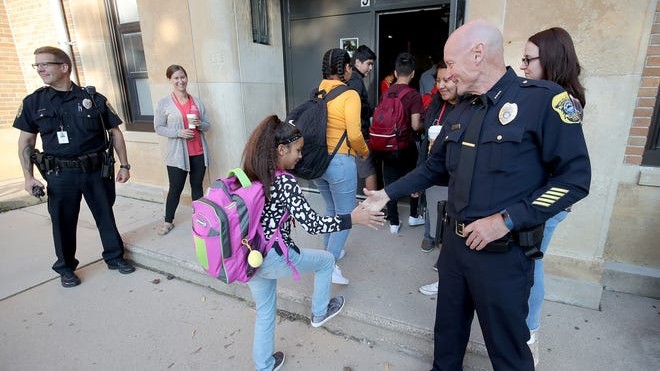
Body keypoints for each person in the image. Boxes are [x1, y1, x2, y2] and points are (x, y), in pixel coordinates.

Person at [363, 20, 591, 370]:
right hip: (454, 250)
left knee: (508, 354)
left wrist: (507, 220)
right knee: (447, 342)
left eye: (451, 63)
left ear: (478, 54)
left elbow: (574, 180)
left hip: (502, 255)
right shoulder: (462, 109)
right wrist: (386, 194)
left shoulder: (544, 102)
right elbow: (433, 168)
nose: (447, 73)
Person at [243, 115, 384, 371]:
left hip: (248, 253)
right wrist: (352, 218)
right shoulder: (284, 181)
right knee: (327, 260)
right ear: (281, 150)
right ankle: (319, 313)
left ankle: (264, 365)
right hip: (273, 255)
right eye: (297, 151)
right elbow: (314, 224)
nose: (300, 156)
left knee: (265, 312)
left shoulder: (251, 172)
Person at [14, 46, 136, 288]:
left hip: (95, 170)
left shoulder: (92, 99)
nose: (40, 69)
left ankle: (114, 257)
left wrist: (124, 165)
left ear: (64, 67)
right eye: (37, 65)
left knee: (105, 216)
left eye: (45, 64)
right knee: (62, 222)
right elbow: (26, 141)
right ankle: (66, 268)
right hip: (60, 174)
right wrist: (28, 177)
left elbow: (115, 133)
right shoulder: (33, 102)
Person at [519, 26, 586, 364]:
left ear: (551, 60)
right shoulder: (541, 96)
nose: (523, 67)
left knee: (532, 264)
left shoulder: (563, 103)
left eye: (529, 59)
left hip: (545, 202)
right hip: (530, 198)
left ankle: (529, 331)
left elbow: (567, 171)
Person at [314, 48, 370, 285]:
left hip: (318, 162)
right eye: (349, 67)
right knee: (346, 215)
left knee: (330, 209)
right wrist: (365, 152)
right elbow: (355, 134)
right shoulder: (350, 95)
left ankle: (328, 253)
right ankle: (330, 262)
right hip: (340, 161)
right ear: (346, 68)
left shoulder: (319, 90)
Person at [154, 65, 211, 236]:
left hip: (199, 152)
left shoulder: (197, 102)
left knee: (197, 187)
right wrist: (178, 133)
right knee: (175, 188)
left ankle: (199, 218)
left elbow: (208, 126)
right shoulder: (164, 104)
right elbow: (159, 128)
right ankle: (168, 221)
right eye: (176, 78)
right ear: (170, 81)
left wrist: (202, 125)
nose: (180, 81)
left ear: (187, 78)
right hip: (177, 156)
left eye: (183, 77)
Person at [417, 64, 459, 297]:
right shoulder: (437, 106)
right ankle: (445, 281)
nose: (441, 85)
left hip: (458, 182)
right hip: (436, 179)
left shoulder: (470, 108)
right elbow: (425, 143)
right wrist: (419, 178)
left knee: (457, 238)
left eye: (447, 80)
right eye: (438, 80)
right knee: (441, 235)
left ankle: (453, 283)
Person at [373, 52, 424, 234]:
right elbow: (416, 125)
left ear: (395, 73)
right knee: (415, 179)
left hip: (386, 147)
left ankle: (394, 223)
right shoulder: (413, 95)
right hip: (406, 146)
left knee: (391, 183)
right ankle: (413, 216)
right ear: (412, 73)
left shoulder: (386, 93)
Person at [346, 45, 378, 191]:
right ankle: (373, 206)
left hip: (352, 133)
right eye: (369, 64)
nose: (370, 68)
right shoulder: (355, 81)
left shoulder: (352, 79)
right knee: (369, 169)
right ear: (357, 62)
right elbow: (355, 109)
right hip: (359, 133)